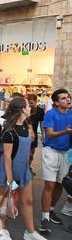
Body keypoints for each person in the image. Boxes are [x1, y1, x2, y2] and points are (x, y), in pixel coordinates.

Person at [0, 97, 50, 240]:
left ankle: (30, 232)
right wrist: (10, 179)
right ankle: (0, 229)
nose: (31, 108)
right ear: (23, 109)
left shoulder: (25, 127)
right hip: (9, 173)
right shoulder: (9, 132)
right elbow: (6, 157)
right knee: (5, 202)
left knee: (28, 201)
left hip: (24, 172)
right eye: (28, 106)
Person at [39, 89, 72, 232]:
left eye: (69, 97)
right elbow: (50, 134)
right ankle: (44, 217)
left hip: (65, 153)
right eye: (64, 98)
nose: (68, 100)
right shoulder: (50, 114)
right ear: (57, 102)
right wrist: (66, 131)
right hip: (50, 151)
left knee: (60, 183)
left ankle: (51, 210)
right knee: (50, 185)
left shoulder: (71, 113)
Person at [27, 94, 45, 176]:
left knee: (31, 153)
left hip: (34, 135)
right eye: (29, 103)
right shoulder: (25, 109)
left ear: (36, 102)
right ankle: (25, 168)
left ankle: (28, 167)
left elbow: (41, 124)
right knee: (25, 153)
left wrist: (43, 135)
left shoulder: (40, 111)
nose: (30, 105)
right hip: (24, 134)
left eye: (32, 103)